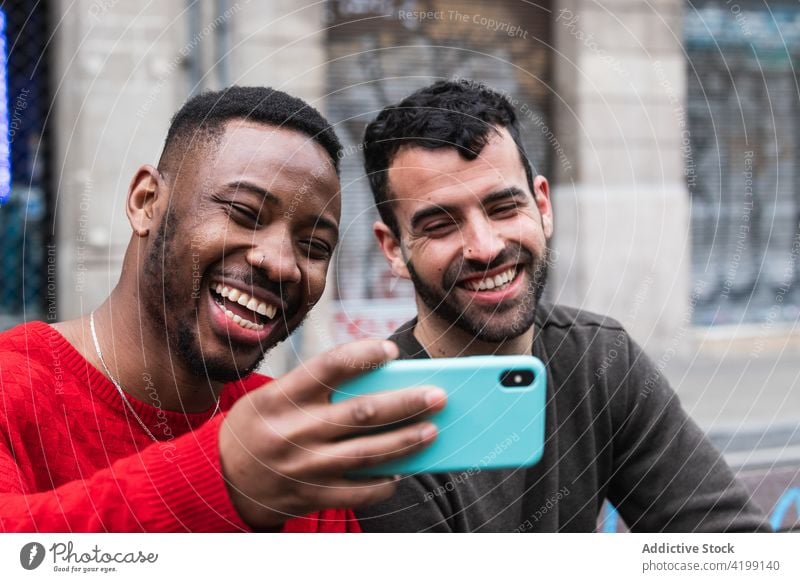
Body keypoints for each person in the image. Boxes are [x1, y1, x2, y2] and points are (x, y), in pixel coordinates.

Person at [0, 86, 447, 532]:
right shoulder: (13, 386)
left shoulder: (290, 431)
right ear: (145, 202)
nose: (279, 263)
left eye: (314, 246)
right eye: (243, 212)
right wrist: (222, 478)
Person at [354, 79, 771, 532]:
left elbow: (729, 544)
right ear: (393, 248)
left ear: (543, 206)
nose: (486, 247)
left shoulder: (599, 359)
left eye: (504, 208)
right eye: (439, 225)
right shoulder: (378, 418)